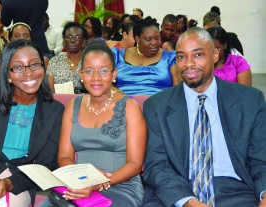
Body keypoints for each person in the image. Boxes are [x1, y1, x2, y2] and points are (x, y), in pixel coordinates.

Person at [142, 27, 266, 207]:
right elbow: (156, 166)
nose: (188, 64)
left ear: (215, 55)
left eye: (198, 55)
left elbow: (261, 159)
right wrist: (188, 202)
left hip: (236, 192)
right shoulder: (157, 106)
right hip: (177, 191)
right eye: (181, 57)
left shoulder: (249, 101)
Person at [40, 42, 146, 207]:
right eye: (89, 71)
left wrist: (98, 183)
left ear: (114, 74)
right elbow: (64, 157)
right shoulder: (73, 105)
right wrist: (82, 180)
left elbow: (135, 164)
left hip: (120, 185)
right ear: (81, 75)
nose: (96, 78)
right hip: (78, 185)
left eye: (103, 71)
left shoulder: (129, 107)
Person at [0, 39, 64, 207]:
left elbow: (46, 164)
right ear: (7, 74)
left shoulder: (54, 110)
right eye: (18, 67)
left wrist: (9, 183)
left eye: (35, 65)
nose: (29, 73)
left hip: (18, 182)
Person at [114, 17, 181, 95]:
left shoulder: (170, 57)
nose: (154, 43)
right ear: (137, 38)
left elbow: (178, 89)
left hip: (159, 104)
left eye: (157, 38)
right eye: (148, 39)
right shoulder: (117, 55)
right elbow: (106, 85)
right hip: (122, 104)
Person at [47, 22, 87, 94]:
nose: (72, 40)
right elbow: (50, 92)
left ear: (84, 42)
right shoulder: (54, 61)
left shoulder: (90, 61)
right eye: (69, 37)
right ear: (64, 40)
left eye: (77, 37)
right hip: (60, 103)